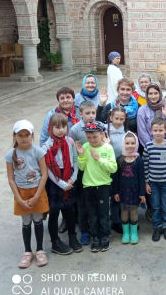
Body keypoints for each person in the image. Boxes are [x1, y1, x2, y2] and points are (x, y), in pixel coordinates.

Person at [5, 120, 49, 268]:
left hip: (37, 190)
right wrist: (18, 198)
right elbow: (11, 179)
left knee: (37, 220)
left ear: (32, 135)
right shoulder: (11, 154)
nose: (24, 138)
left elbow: (44, 175)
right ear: (14, 136)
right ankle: (27, 252)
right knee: (25, 222)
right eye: (20, 135)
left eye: (27, 135)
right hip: (21, 192)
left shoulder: (38, 151)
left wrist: (37, 196)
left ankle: (40, 250)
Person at [42, 114, 82, 254]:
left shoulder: (70, 141)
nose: (61, 130)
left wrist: (73, 178)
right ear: (50, 128)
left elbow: (75, 162)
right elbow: (48, 169)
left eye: (63, 126)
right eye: (57, 127)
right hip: (55, 182)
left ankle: (72, 237)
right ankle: (55, 242)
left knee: (69, 211)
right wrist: (62, 184)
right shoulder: (46, 146)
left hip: (70, 178)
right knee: (54, 213)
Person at [75, 121, 117, 252]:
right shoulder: (86, 147)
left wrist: (99, 159)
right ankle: (95, 237)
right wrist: (81, 155)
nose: (92, 140)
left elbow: (113, 168)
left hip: (103, 185)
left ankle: (104, 236)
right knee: (92, 214)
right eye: (89, 137)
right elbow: (81, 167)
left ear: (101, 134)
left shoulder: (107, 148)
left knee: (103, 213)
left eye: (95, 137)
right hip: (88, 186)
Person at [143, 118, 166, 242]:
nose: (158, 133)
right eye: (155, 130)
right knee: (155, 206)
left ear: (165, 131)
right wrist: (146, 182)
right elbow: (145, 165)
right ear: (151, 131)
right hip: (153, 183)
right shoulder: (148, 146)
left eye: (160, 130)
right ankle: (157, 227)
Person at [69, 100, 97, 245]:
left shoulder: (100, 126)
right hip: (81, 170)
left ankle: (95, 229)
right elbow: (72, 150)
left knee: (94, 202)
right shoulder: (74, 130)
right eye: (87, 113)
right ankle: (84, 231)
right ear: (80, 114)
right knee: (82, 203)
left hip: (96, 170)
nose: (91, 116)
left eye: (93, 113)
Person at [113, 132, 146, 244]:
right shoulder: (120, 159)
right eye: (127, 143)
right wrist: (116, 192)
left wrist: (142, 193)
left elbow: (142, 178)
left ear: (136, 144)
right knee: (124, 211)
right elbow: (116, 178)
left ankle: (133, 233)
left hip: (134, 192)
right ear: (123, 144)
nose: (130, 145)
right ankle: (126, 233)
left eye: (133, 143)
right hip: (123, 192)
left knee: (133, 211)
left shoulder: (139, 160)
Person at [106, 106, 128, 234]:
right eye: (116, 118)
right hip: (110, 166)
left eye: (121, 119)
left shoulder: (126, 131)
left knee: (121, 193)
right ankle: (115, 221)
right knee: (113, 194)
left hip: (122, 165)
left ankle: (121, 218)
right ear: (110, 118)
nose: (119, 121)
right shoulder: (106, 130)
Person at [137, 84, 166, 148]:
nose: (153, 96)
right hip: (149, 146)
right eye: (150, 93)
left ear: (160, 94)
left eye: (156, 93)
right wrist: (151, 147)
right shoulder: (142, 110)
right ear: (147, 95)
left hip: (164, 144)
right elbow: (142, 133)